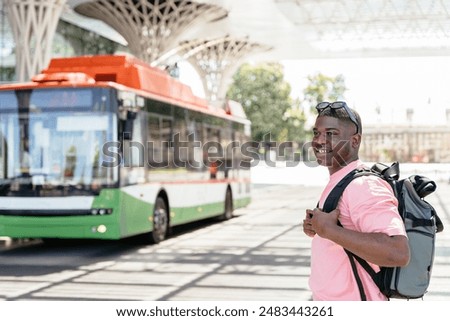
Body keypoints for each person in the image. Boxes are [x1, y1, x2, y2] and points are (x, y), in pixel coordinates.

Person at [303, 101, 410, 301]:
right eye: (316, 133)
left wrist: (329, 230)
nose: (319, 140)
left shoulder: (364, 185)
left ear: (354, 141)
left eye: (331, 134)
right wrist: (317, 227)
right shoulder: (341, 179)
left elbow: (398, 252)